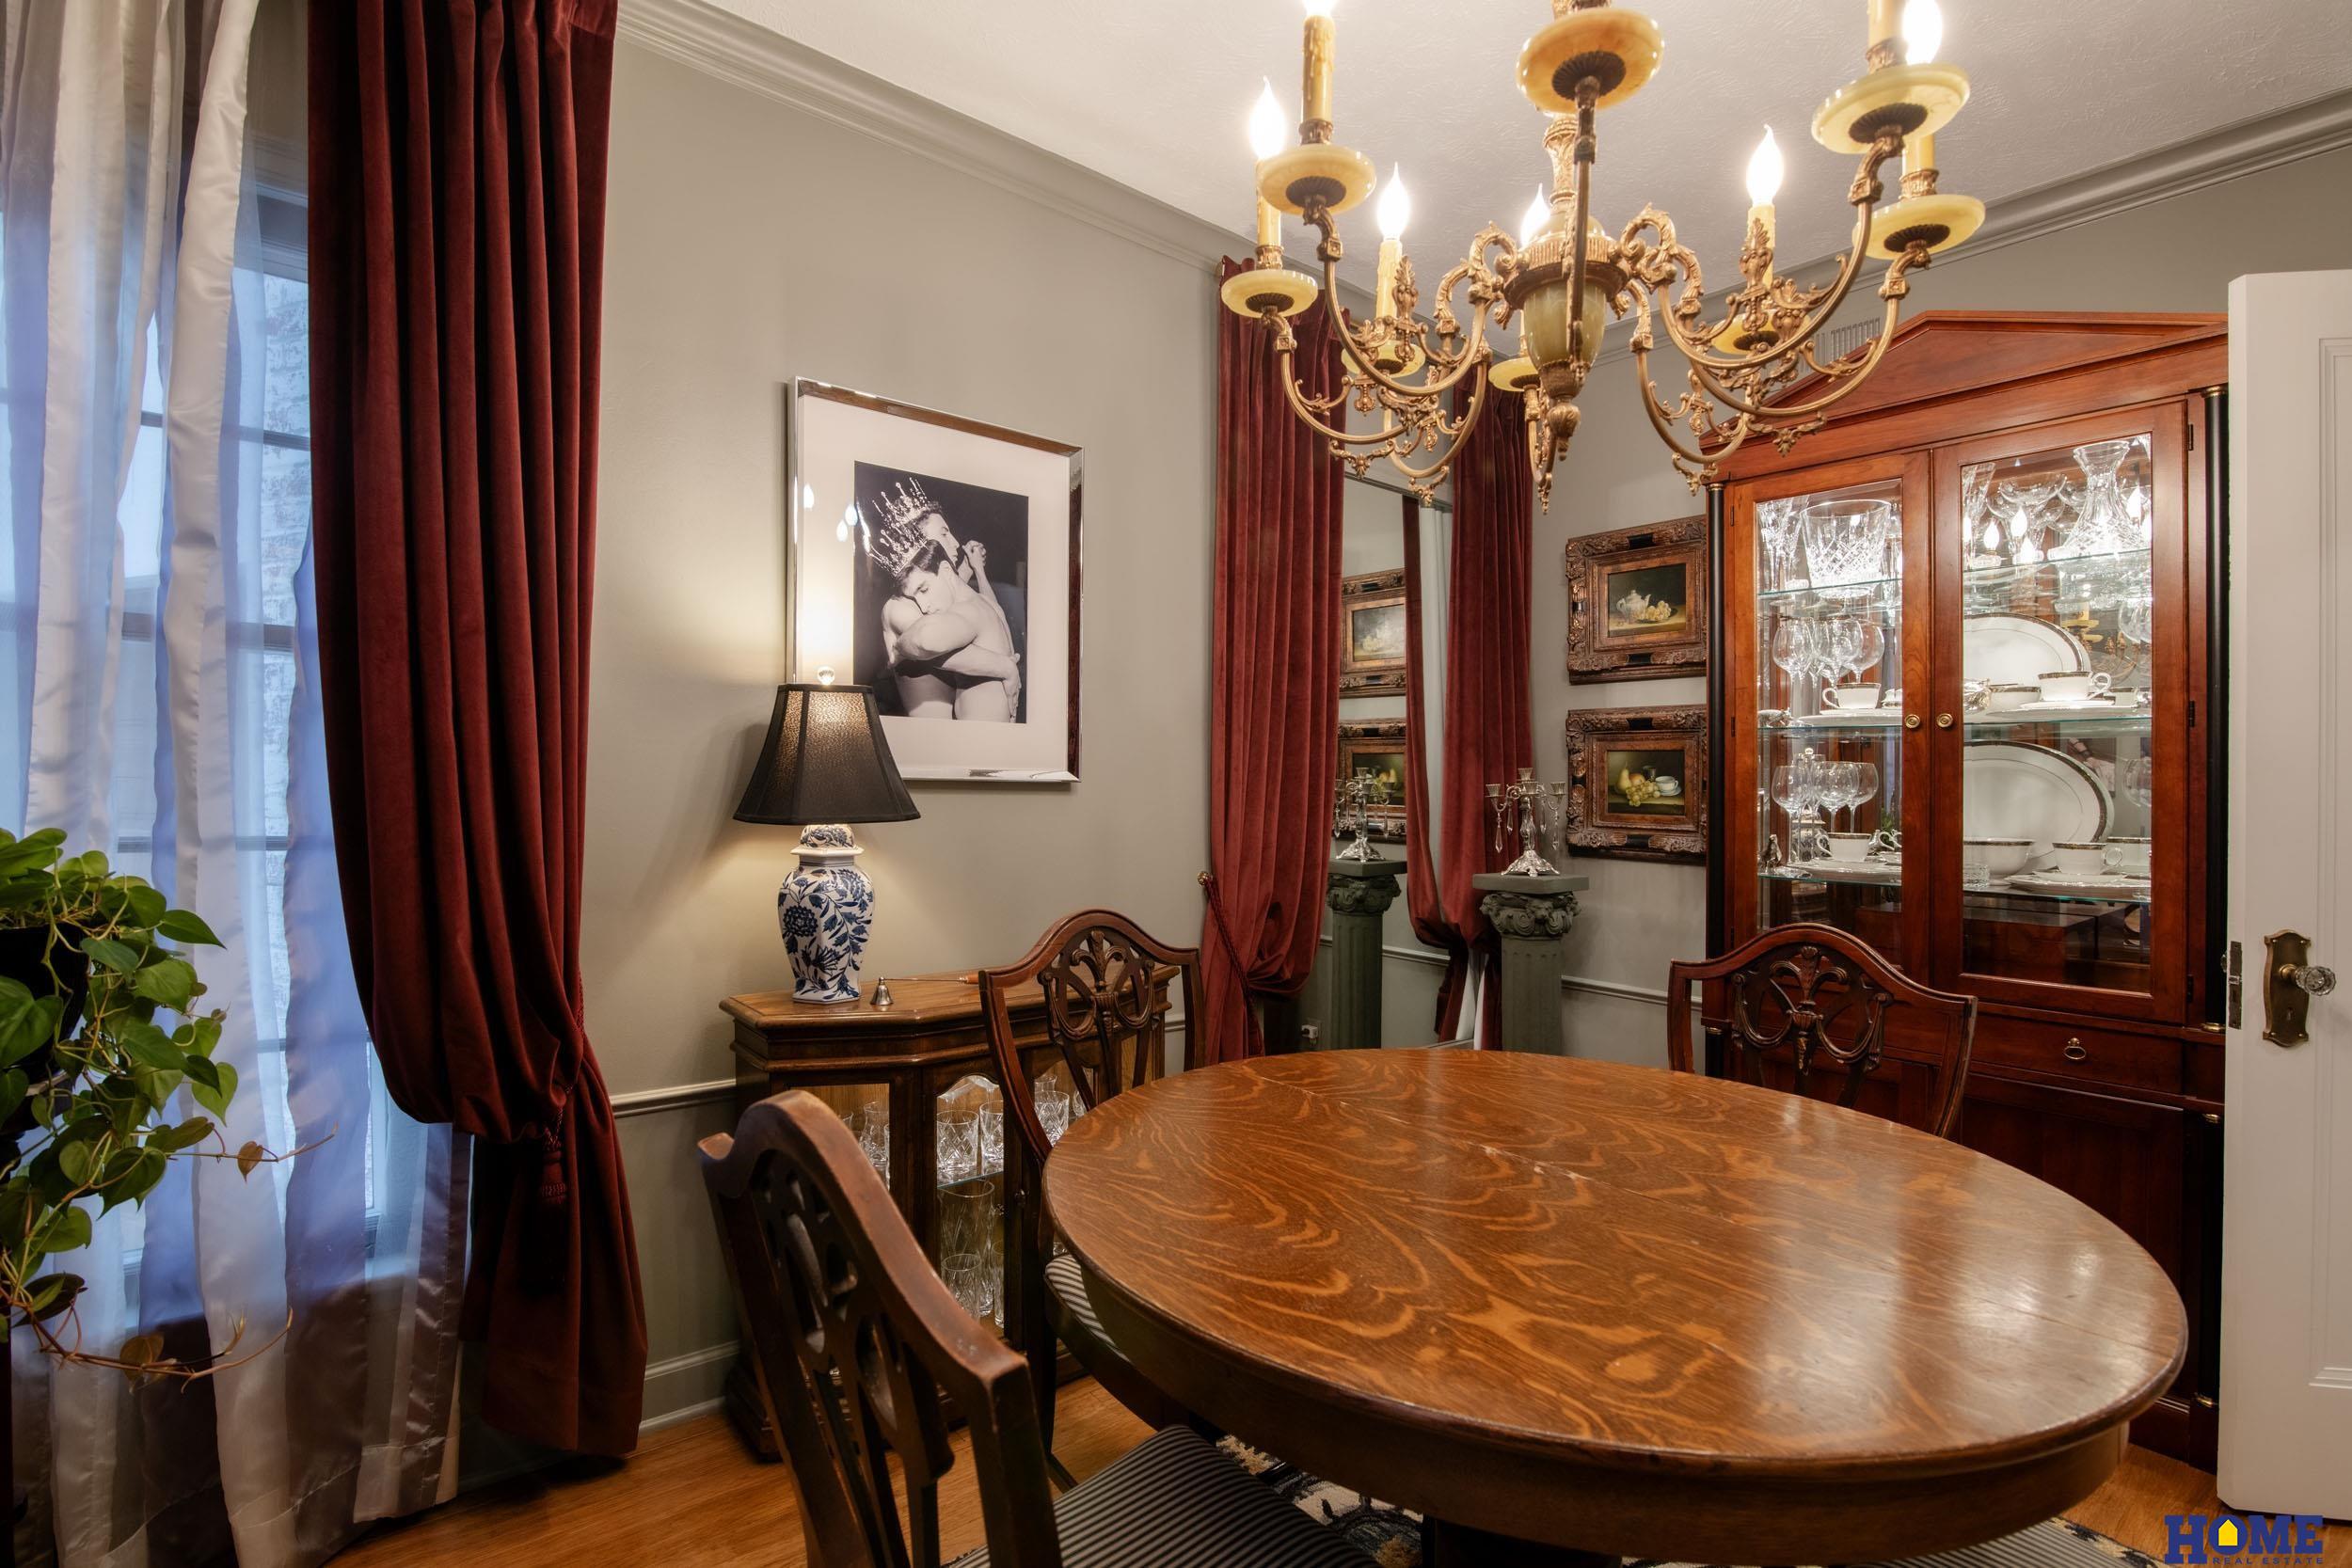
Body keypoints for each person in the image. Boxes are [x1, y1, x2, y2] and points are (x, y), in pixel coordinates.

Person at [870, 490, 1022, 722]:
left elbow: (990, 610)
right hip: (932, 735)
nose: (955, 542)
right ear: (920, 542)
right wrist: (1007, 668)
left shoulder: (937, 591)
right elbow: (930, 646)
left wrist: (974, 569)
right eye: (944, 533)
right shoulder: (899, 606)